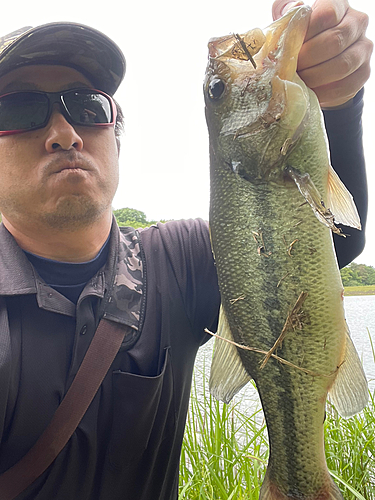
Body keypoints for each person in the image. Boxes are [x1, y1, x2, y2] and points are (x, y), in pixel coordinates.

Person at [0, 0, 371, 498]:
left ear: (115, 135)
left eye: (86, 107)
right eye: (19, 111)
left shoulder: (176, 261)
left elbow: (336, 243)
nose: (64, 133)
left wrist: (339, 103)